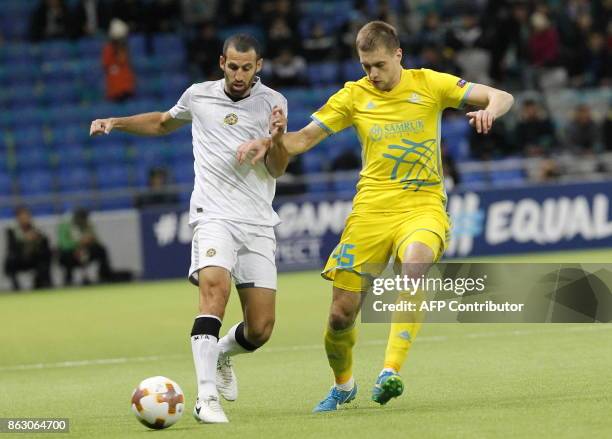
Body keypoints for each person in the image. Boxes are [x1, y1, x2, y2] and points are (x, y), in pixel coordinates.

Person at [238, 20, 514, 412]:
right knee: (340, 314)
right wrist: (271, 140)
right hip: (370, 211)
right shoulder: (353, 95)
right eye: (366, 65)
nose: (372, 74)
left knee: (415, 264)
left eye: (379, 64)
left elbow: (500, 95)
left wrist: (491, 112)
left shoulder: (430, 84)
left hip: (422, 205)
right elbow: (302, 140)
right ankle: (343, 385)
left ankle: (390, 371)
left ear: (398, 55)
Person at [89, 34, 288, 424]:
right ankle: (205, 398)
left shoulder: (274, 103)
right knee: (215, 289)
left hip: (258, 220)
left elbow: (278, 168)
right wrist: (118, 121)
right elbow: (163, 122)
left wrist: (276, 140)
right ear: (221, 62)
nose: (239, 74)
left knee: (261, 328)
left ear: (259, 66)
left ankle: (223, 355)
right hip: (212, 214)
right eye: (233, 66)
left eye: (247, 67)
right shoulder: (198, 95)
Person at [57, 208, 114, 285]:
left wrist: (90, 239)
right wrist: (78, 243)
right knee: (66, 254)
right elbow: (63, 244)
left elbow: (96, 241)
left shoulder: (88, 225)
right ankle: (68, 279)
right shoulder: (65, 226)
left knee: (101, 249)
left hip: (85, 251)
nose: (82, 220)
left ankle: (104, 276)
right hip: (70, 253)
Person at [3, 206, 52, 291]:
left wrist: (37, 239)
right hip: (19, 260)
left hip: (33, 259)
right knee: (10, 260)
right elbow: (11, 248)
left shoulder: (36, 230)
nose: (24, 219)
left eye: (26, 216)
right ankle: (16, 287)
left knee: (45, 259)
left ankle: (40, 284)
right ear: (17, 218)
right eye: (21, 217)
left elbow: (44, 245)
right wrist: (24, 240)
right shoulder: (12, 231)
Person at [102, 18, 136, 102]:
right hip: (115, 90)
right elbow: (106, 64)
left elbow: (124, 61)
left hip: (126, 88)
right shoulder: (109, 49)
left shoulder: (123, 49)